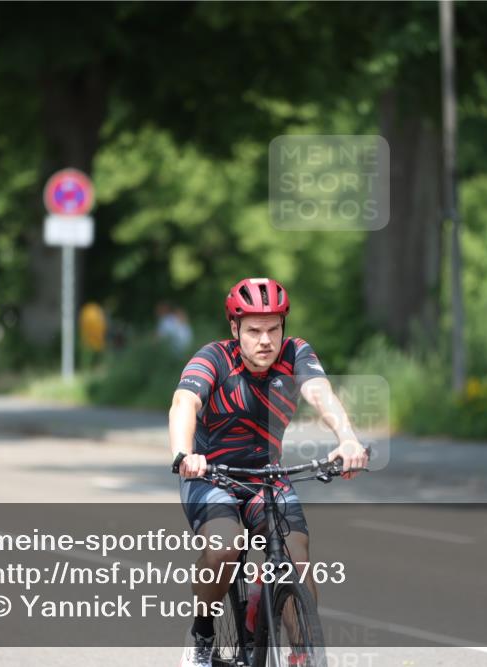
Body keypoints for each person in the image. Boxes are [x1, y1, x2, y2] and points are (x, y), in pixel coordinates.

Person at [170, 277, 368, 667]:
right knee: (225, 546)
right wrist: (183, 452)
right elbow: (184, 403)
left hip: (267, 477)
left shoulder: (295, 354)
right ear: (235, 329)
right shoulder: (213, 358)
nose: (265, 340)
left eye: (273, 329)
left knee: (296, 555)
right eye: (254, 330)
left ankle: (302, 655)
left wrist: (347, 438)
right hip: (211, 475)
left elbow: (319, 393)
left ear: (284, 328)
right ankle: (203, 634)